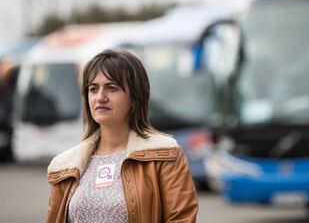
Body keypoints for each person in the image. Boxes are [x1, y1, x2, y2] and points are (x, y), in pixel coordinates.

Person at [46, 49, 198, 223]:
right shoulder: (66, 165)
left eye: (112, 88)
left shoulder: (165, 154)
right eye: (93, 89)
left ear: (134, 98)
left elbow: (182, 219)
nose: (100, 97)